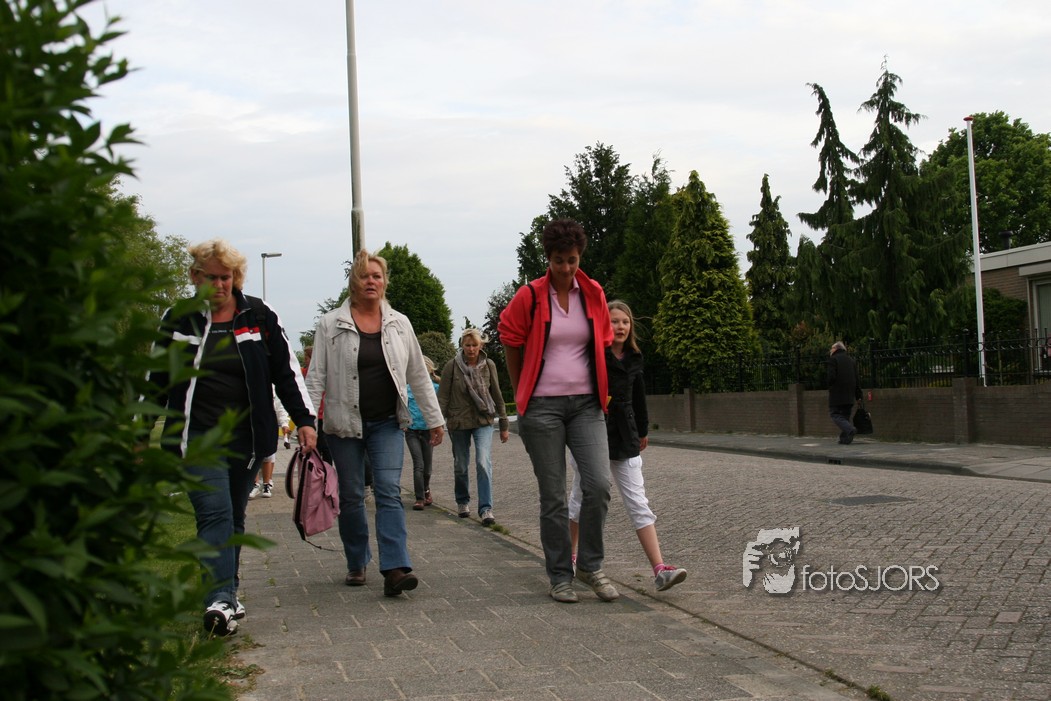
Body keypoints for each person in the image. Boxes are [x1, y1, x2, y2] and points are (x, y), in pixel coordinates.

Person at [153, 239, 317, 636]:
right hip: (196, 436)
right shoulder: (179, 318)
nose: (219, 285)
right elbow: (156, 376)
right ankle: (219, 600)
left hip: (247, 437)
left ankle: (228, 592)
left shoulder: (259, 315)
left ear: (236, 277)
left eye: (225, 277)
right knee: (215, 513)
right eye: (210, 277)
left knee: (234, 515)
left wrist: (304, 420)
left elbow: (286, 372)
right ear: (195, 277)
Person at [306, 249, 444, 597]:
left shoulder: (400, 323)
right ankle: (357, 560)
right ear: (354, 281)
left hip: (387, 423)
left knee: (388, 491)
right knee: (352, 495)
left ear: (384, 282)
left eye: (377, 276)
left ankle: (395, 568)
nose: (371, 281)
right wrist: (305, 423)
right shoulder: (330, 324)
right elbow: (316, 377)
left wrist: (434, 419)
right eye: (364, 275)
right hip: (343, 425)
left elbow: (418, 374)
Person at [497, 218, 616, 604]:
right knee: (554, 497)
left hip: (586, 405)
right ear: (548, 258)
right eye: (559, 260)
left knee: (598, 485)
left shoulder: (593, 293)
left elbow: (605, 341)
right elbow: (509, 338)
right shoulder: (530, 296)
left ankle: (590, 566)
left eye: (572, 260)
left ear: (580, 257)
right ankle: (560, 576)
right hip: (542, 408)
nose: (566, 267)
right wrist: (522, 391)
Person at [568, 301, 687, 592]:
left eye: (625, 321)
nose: (620, 326)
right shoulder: (592, 355)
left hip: (625, 436)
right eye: (614, 321)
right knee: (581, 498)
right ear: (603, 325)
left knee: (638, 502)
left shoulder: (634, 358)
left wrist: (642, 430)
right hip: (593, 434)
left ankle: (660, 570)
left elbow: (638, 398)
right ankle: (569, 558)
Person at [437, 329, 510, 525]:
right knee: (461, 465)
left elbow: (497, 394)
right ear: (462, 345)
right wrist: (437, 424)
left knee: (483, 462)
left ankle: (486, 509)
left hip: (483, 420)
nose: (471, 349)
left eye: (474, 345)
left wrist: (504, 424)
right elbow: (442, 397)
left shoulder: (489, 365)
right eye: (467, 345)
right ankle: (462, 501)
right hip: (458, 421)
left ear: (481, 346)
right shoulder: (452, 366)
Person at [407, 357, 441, 511]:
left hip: (428, 431)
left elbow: (439, 408)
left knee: (427, 468)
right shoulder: (407, 389)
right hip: (412, 431)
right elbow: (402, 407)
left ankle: (426, 489)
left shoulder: (435, 388)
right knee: (418, 465)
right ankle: (419, 498)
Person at [249, 395, 291, 499]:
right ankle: (255, 484)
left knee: (268, 455)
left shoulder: (272, 389)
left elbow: (280, 406)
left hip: (269, 424)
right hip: (252, 424)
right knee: (252, 455)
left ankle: (266, 484)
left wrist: (284, 423)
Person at [828, 340, 862, 444]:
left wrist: (830, 386)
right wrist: (858, 396)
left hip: (837, 395)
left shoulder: (833, 360)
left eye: (831, 348)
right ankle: (845, 438)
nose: (830, 351)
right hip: (849, 395)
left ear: (836, 349)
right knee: (845, 417)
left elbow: (831, 377)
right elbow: (857, 380)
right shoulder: (851, 361)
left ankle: (850, 429)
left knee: (835, 414)